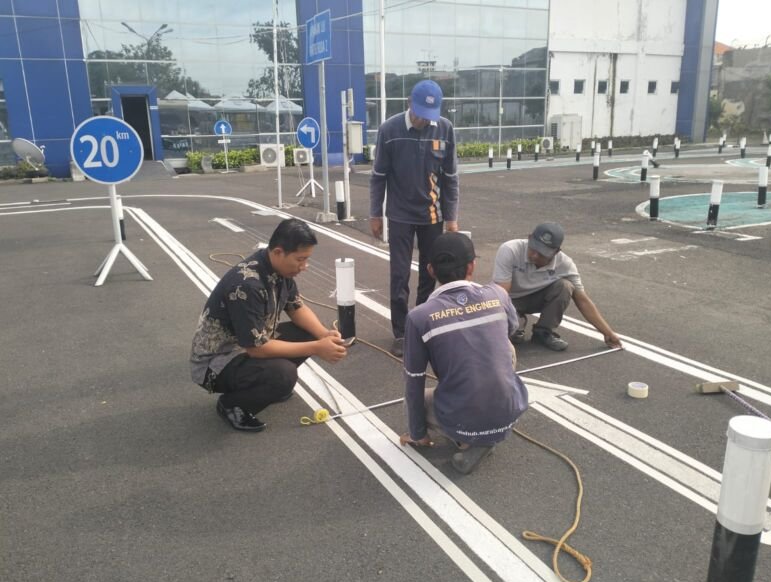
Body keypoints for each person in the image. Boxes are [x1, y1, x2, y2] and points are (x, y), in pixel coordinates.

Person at [190, 218, 347, 432]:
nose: (305, 266)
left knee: (309, 333)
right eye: (300, 260)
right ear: (278, 252)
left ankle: (265, 386)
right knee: (284, 374)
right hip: (217, 363)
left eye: (307, 259)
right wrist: (318, 348)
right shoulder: (247, 285)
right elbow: (257, 349)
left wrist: (323, 335)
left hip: (248, 345)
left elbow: (296, 308)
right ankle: (233, 404)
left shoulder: (280, 270)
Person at [400, 232, 529, 474]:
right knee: (506, 345)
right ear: (472, 266)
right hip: (511, 410)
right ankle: (489, 427)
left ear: (430, 270)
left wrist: (417, 434)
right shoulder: (498, 295)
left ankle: (471, 438)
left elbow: (413, 380)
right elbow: (512, 328)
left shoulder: (419, 316)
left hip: (462, 417)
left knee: (417, 397)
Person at [369, 79, 460, 358]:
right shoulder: (389, 130)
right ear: (410, 102)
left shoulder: (444, 128)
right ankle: (400, 332)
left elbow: (450, 178)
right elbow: (378, 177)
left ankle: (422, 323)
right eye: (420, 113)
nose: (424, 120)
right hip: (400, 216)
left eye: (429, 116)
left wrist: (451, 218)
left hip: (432, 215)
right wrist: (375, 214)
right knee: (399, 274)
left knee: (430, 273)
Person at [492, 222, 622, 352]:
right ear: (529, 238)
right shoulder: (510, 250)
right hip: (511, 300)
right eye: (533, 249)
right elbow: (501, 294)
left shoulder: (565, 264)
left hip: (537, 299)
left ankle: (543, 332)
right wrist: (504, 324)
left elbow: (583, 301)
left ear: (556, 251)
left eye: (542, 253)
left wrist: (608, 333)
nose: (535, 256)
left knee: (565, 286)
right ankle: (517, 322)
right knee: (506, 334)